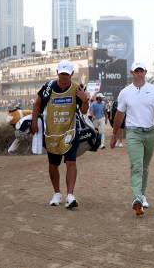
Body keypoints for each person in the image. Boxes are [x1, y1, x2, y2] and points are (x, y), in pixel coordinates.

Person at [30, 60, 89, 209]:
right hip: (52, 133)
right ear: (57, 73)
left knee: (71, 162)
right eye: (62, 74)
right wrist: (33, 122)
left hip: (70, 131)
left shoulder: (77, 88)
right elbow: (37, 104)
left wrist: (84, 100)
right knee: (53, 164)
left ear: (72, 74)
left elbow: (83, 111)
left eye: (67, 74)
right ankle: (57, 193)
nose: (64, 77)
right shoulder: (48, 87)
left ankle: (70, 195)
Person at [111, 61, 154, 216]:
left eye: (141, 71)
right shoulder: (125, 92)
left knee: (145, 166)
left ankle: (141, 195)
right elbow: (119, 115)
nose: (139, 73)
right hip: (133, 132)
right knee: (137, 166)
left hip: (150, 133)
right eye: (136, 71)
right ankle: (137, 199)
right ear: (132, 73)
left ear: (145, 72)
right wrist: (114, 134)